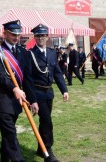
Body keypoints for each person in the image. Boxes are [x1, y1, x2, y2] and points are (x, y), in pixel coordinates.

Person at [0, 20, 37, 162]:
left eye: (18, 34)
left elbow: (27, 78)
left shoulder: (23, 52)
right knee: (10, 133)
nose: (16, 37)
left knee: (6, 134)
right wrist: (14, 88)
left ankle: (5, 158)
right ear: (4, 33)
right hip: (2, 99)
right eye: (12, 34)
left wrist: (33, 100)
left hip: (17, 100)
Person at [29, 24, 69, 162]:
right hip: (37, 93)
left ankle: (41, 148)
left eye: (43, 35)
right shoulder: (31, 54)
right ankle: (48, 151)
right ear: (34, 37)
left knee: (44, 121)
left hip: (49, 93)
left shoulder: (52, 53)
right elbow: (28, 79)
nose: (41, 38)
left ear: (47, 37)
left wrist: (64, 90)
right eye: (38, 35)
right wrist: (32, 99)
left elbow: (57, 73)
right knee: (47, 121)